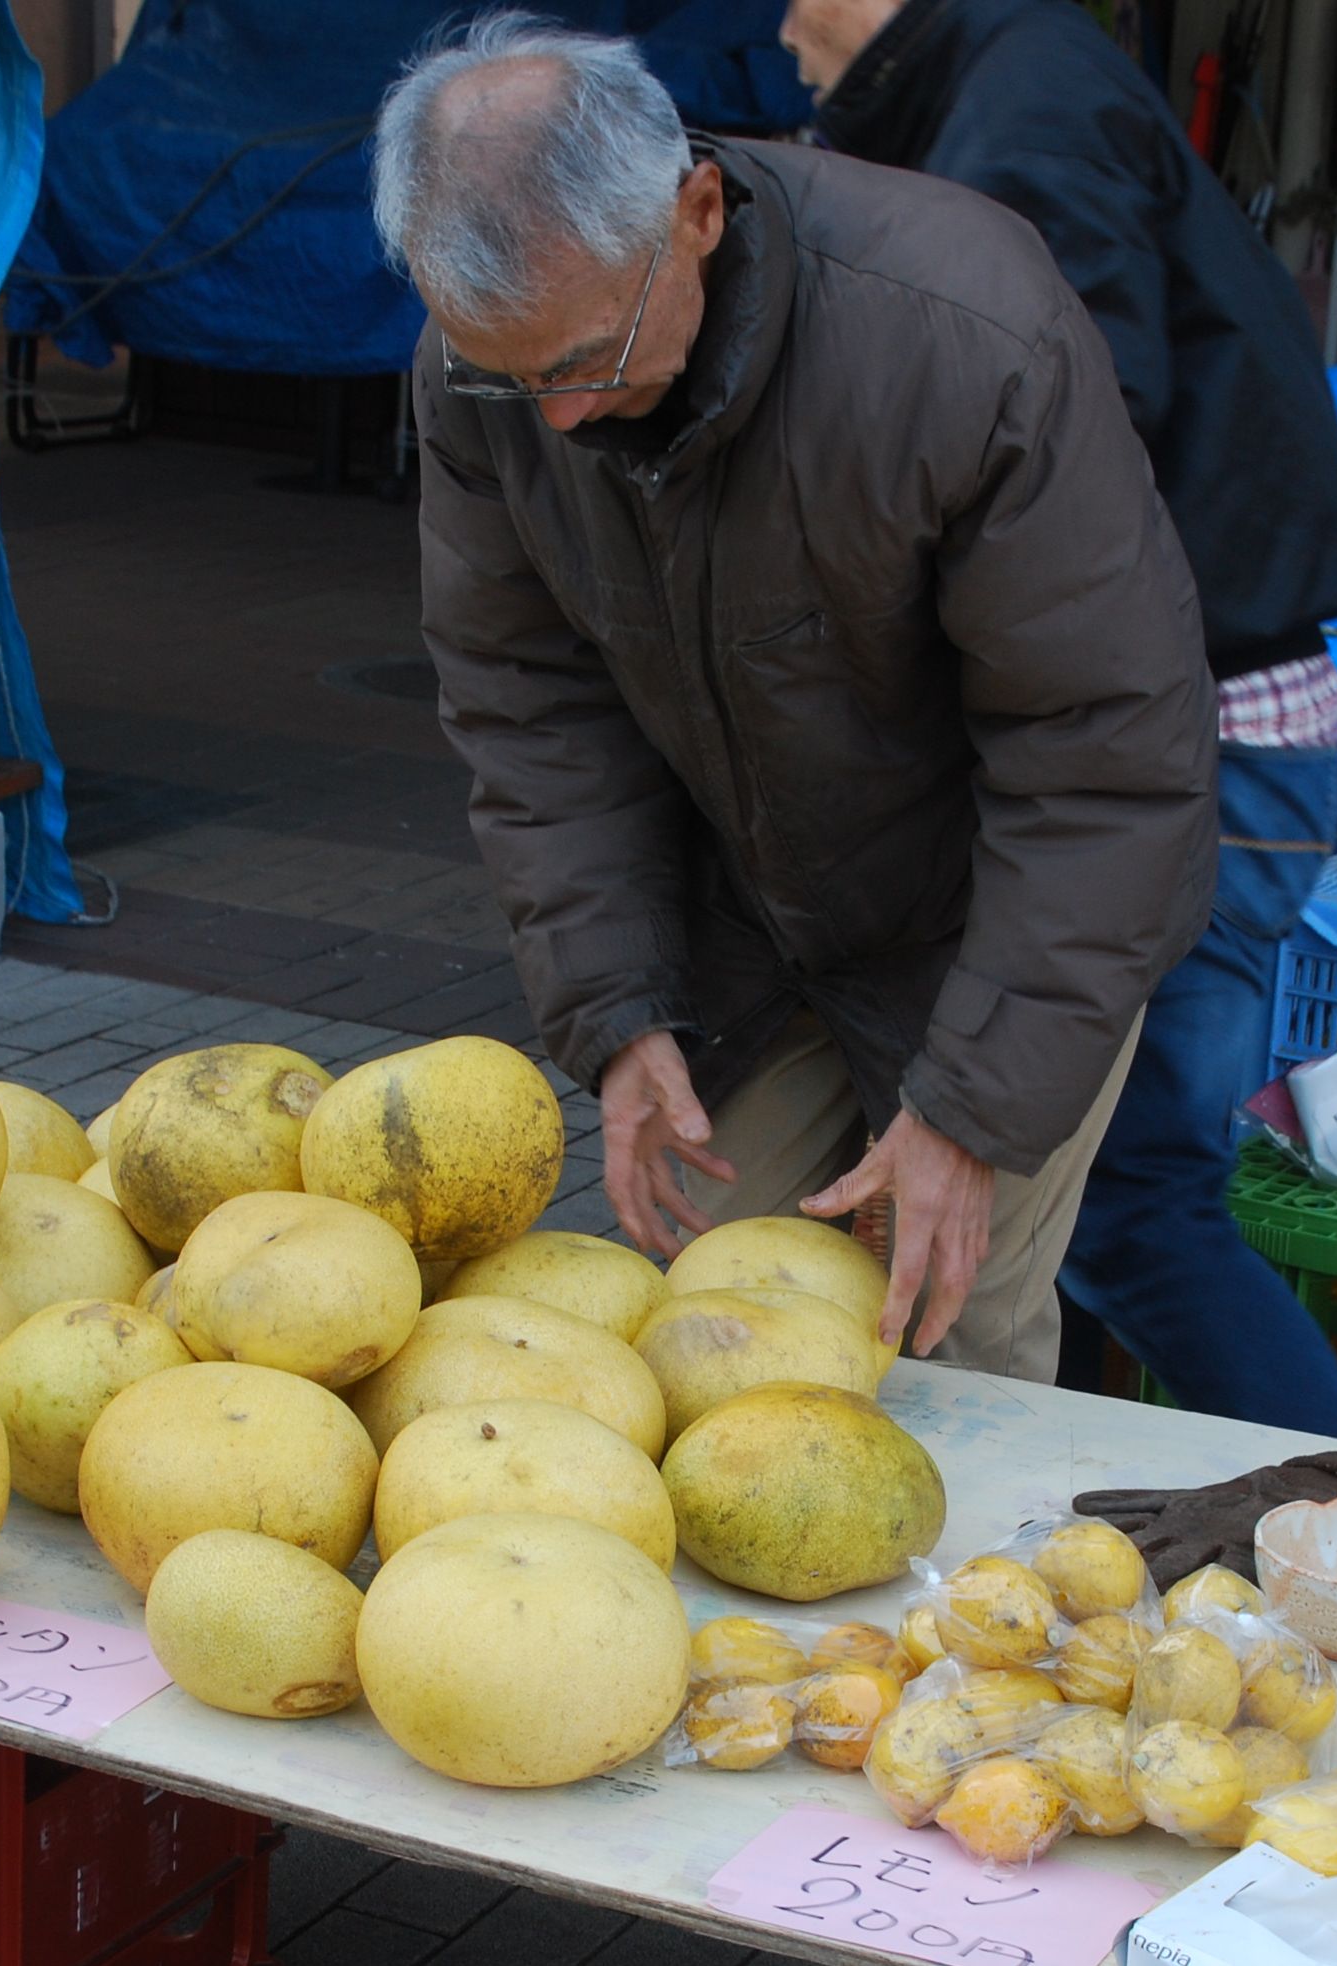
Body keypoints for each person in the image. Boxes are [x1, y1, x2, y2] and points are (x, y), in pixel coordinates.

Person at [373, 13, 1215, 1379]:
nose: (559, 422)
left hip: (988, 909)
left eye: (585, 359)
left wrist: (971, 1108)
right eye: (508, 374)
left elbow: (1103, 757)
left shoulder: (961, 333)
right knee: (714, 1329)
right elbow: (534, 711)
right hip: (748, 912)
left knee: (947, 1330)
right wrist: (618, 1007)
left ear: (694, 211)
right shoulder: (489, 377)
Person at [787, 0, 1337, 1441]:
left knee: (1126, 1206)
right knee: (1113, 1204)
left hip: (1184, 747)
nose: (780, 22)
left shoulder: (1024, 107)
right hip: (1202, 730)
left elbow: (1046, 431)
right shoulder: (1000, 86)